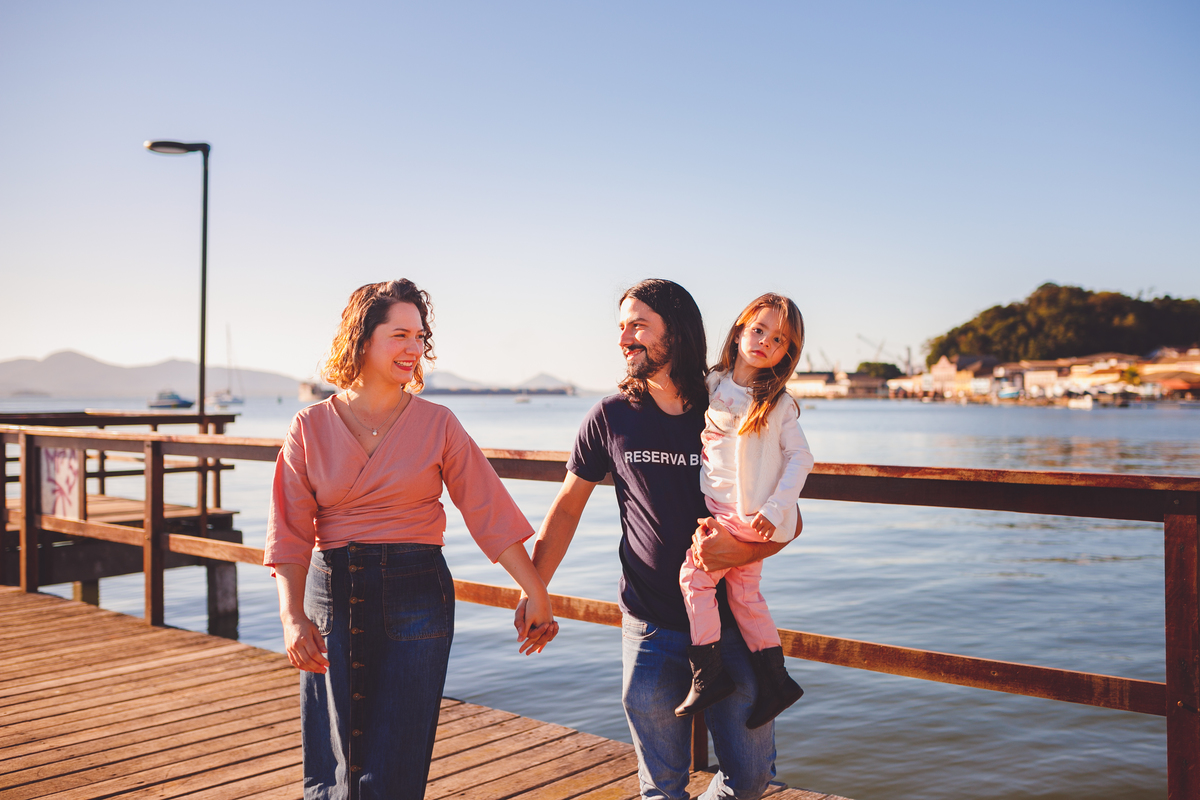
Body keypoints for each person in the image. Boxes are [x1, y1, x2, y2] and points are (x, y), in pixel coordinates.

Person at [265, 279, 555, 800]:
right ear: (362, 339)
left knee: (396, 761)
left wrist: (535, 590)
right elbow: (289, 532)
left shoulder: (438, 424)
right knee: (335, 761)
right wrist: (291, 616)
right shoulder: (308, 426)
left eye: (420, 337)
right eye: (399, 335)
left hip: (416, 595)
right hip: (331, 595)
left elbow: (487, 510)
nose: (414, 348)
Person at [516, 279, 800, 800]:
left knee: (752, 778)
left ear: (677, 331)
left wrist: (743, 551)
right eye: (622, 327)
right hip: (648, 628)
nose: (625, 338)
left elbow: (791, 518)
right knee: (661, 789)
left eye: (639, 325)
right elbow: (567, 509)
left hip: (729, 626)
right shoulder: (610, 416)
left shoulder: (727, 403)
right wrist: (535, 589)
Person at [675, 293, 813, 729]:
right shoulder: (715, 383)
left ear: (786, 353)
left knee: (694, 578)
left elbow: (801, 458)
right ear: (738, 333)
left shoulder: (776, 403)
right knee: (744, 595)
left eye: (779, 339)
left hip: (747, 515)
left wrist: (775, 508)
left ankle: (708, 674)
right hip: (721, 509)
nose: (765, 342)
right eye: (758, 330)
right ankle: (776, 682)